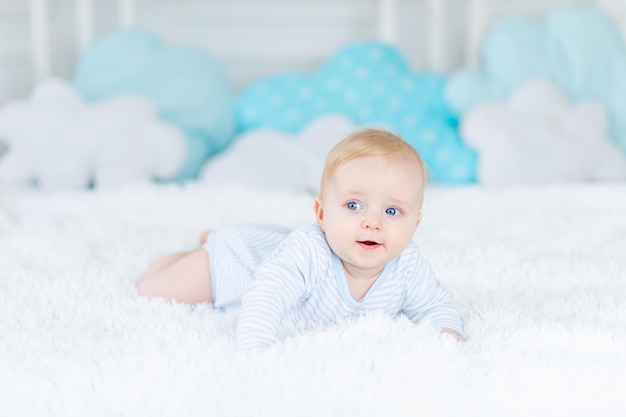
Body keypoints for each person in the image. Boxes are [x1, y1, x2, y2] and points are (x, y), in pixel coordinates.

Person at [138, 128, 466, 349]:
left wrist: (449, 336)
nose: (372, 223)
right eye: (354, 206)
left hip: (272, 251)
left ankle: (213, 240)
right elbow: (267, 294)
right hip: (235, 264)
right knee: (151, 289)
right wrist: (255, 349)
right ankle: (203, 248)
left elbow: (436, 305)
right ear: (321, 214)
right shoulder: (310, 251)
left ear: (415, 224)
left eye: (392, 212)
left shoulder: (407, 265)